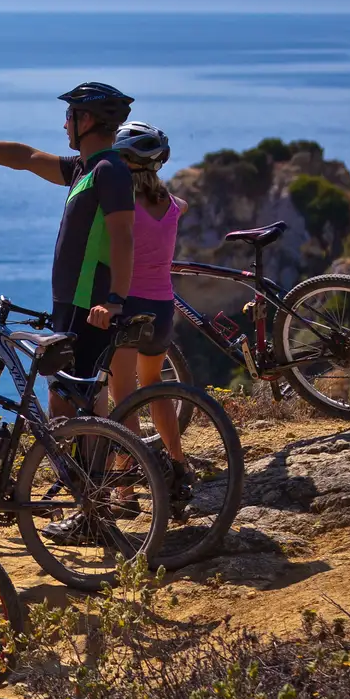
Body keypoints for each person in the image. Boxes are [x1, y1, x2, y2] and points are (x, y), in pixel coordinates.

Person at [0, 83, 138, 410]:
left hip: (86, 303)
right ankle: (91, 446)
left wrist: (115, 301)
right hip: (70, 301)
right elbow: (24, 157)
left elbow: (123, 237)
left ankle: (91, 446)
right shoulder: (83, 168)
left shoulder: (109, 171)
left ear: (86, 120)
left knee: (68, 400)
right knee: (75, 399)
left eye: (69, 115)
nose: (64, 124)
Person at [109, 121, 190, 486]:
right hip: (162, 306)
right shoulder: (171, 205)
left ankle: (125, 484)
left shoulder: (124, 205)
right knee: (154, 385)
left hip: (130, 306)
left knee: (123, 395)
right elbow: (183, 204)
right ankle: (177, 463)